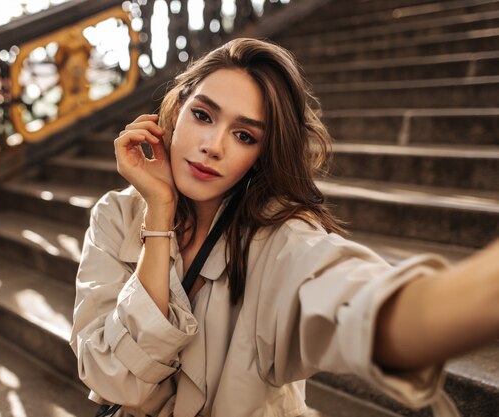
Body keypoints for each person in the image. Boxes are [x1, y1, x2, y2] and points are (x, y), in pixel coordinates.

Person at [69, 38, 499, 417]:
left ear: (264, 151)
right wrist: (158, 215)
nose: (212, 146)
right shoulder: (116, 216)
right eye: (203, 115)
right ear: (177, 111)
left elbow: (356, 303)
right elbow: (112, 379)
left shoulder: (280, 238)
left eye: (244, 136)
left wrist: (463, 299)